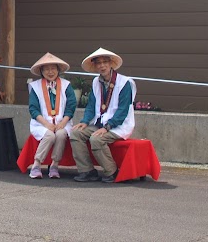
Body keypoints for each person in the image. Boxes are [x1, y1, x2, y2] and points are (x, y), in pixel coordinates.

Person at [70, 47, 136, 183]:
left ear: (111, 63)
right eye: (98, 63)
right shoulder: (96, 82)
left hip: (118, 125)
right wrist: (85, 121)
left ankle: (111, 171)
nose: (102, 65)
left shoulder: (125, 83)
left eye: (105, 62)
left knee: (96, 139)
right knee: (75, 133)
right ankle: (87, 171)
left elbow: (123, 111)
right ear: (95, 66)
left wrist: (107, 127)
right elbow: (91, 106)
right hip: (99, 123)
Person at [27, 53, 77, 179]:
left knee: (61, 134)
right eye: (47, 69)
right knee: (49, 135)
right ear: (41, 71)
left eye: (53, 68)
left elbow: (71, 106)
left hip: (62, 122)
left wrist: (63, 123)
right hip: (42, 123)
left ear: (58, 70)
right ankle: (36, 164)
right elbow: (33, 109)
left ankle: (55, 165)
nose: (50, 72)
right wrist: (47, 124)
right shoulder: (35, 87)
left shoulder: (66, 85)